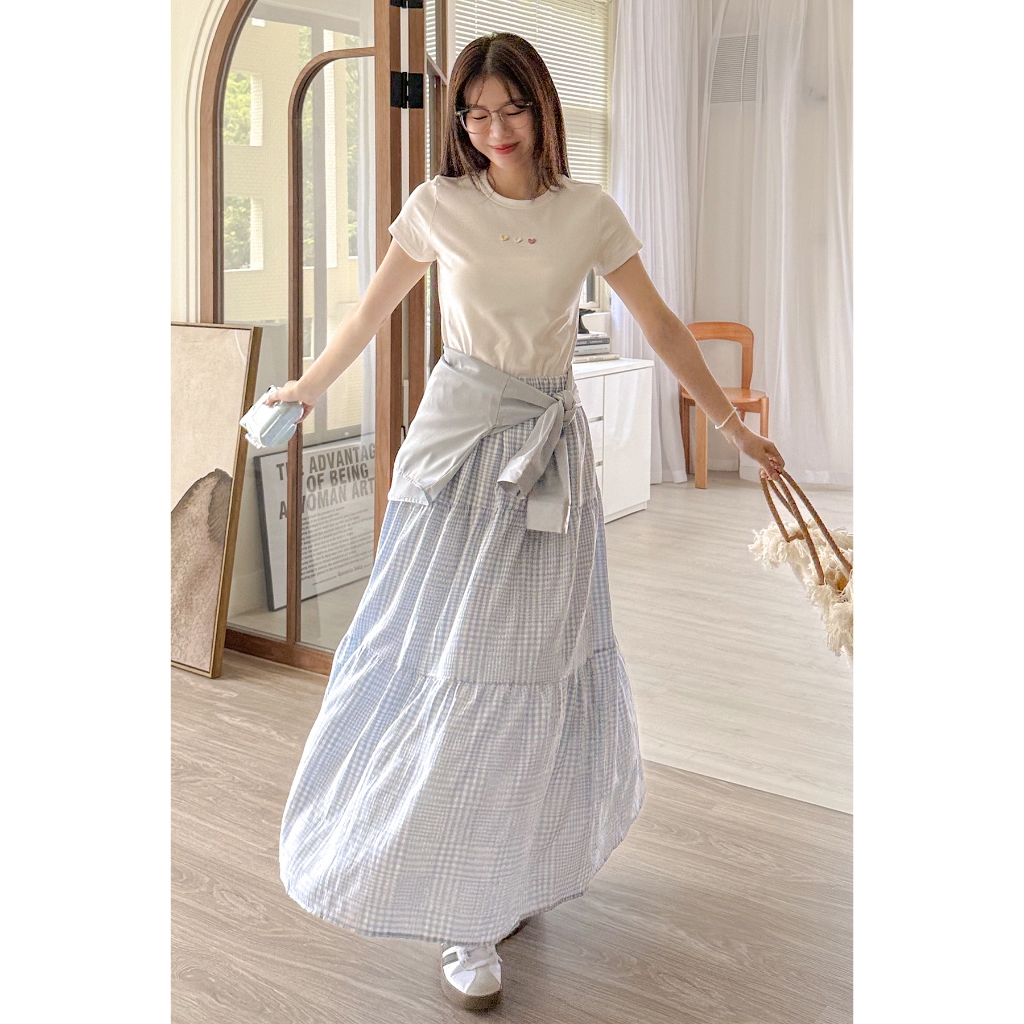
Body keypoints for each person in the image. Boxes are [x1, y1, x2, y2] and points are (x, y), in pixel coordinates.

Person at [268, 31, 785, 1013]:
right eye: (474, 113)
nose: (494, 129)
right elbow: (369, 317)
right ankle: (461, 911)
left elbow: (660, 325)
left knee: (530, 671)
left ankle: (508, 866)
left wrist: (732, 429)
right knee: (444, 663)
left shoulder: (588, 212)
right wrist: (306, 386)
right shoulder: (438, 205)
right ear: (458, 121)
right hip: (453, 460)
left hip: (546, 464)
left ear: (542, 108)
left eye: (510, 109)